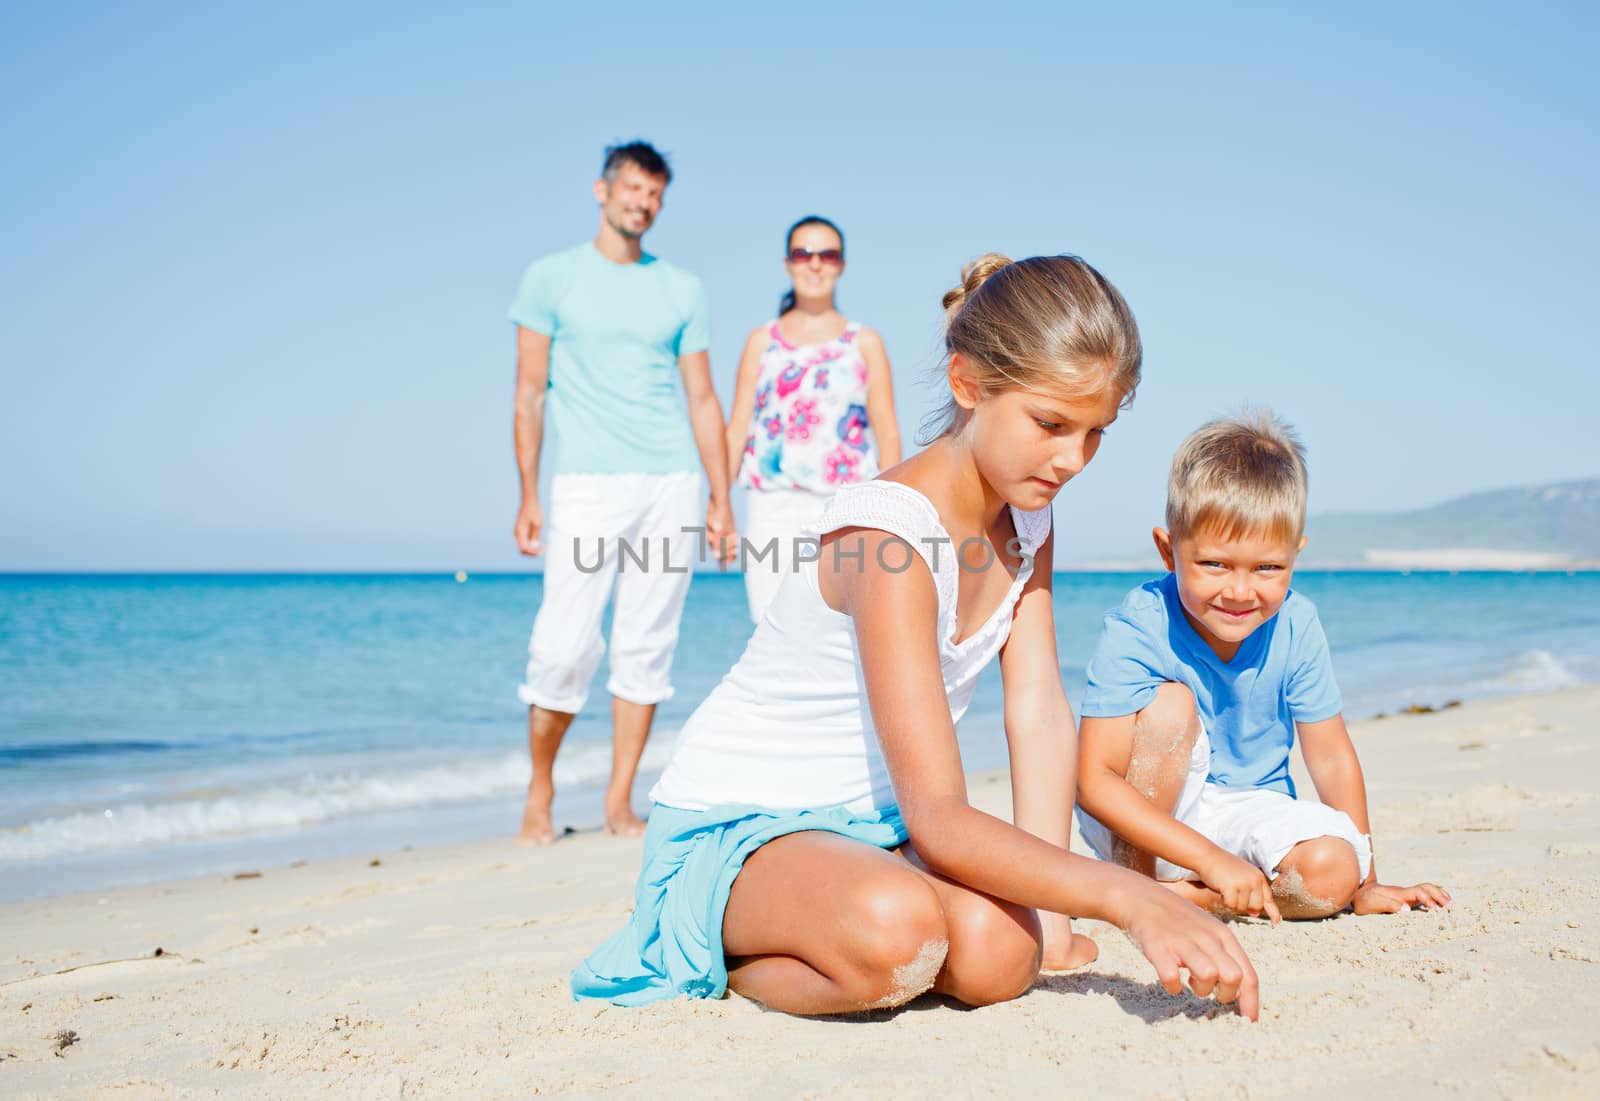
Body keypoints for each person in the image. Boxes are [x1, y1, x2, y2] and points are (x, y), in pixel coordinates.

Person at [571, 253, 1262, 1019]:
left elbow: (1034, 709)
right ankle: (729, 954)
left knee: (1007, 953)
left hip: (872, 830)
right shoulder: (888, 538)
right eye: (1051, 424)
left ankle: (874, 912)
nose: (1072, 459)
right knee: (898, 932)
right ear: (968, 385)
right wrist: (1128, 897)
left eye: (1095, 432)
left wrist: (1060, 924)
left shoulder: (1029, 515)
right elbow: (938, 813)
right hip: (740, 825)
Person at [1075, 411, 1452, 921]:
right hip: (1145, 821)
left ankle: (1202, 897)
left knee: (1330, 871)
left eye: (1268, 568)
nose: (1239, 591)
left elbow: (1332, 758)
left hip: (1249, 810)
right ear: (1168, 551)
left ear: (1295, 556)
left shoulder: (1297, 623)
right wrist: (1204, 856)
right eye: (1214, 564)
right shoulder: (1139, 624)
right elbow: (1095, 781)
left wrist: (1367, 882)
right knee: (1170, 707)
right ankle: (1139, 886)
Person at [508, 140, 736, 845]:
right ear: (603, 191)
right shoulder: (550, 278)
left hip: (671, 479)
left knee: (647, 645)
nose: (644, 202)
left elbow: (701, 397)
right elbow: (528, 393)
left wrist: (720, 497)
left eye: (656, 193)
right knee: (562, 646)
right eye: (634, 188)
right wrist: (528, 493)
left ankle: (618, 799)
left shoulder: (682, 288)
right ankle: (540, 789)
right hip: (585, 481)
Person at [724, 216, 902, 622]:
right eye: (804, 254)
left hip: (847, 506)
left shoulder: (865, 343)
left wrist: (891, 516)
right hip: (771, 505)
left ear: (841, 265)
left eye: (828, 254)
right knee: (770, 625)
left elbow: (888, 436)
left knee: (839, 629)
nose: (815, 264)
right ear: (788, 263)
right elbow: (737, 431)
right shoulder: (761, 342)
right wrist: (719, 506)